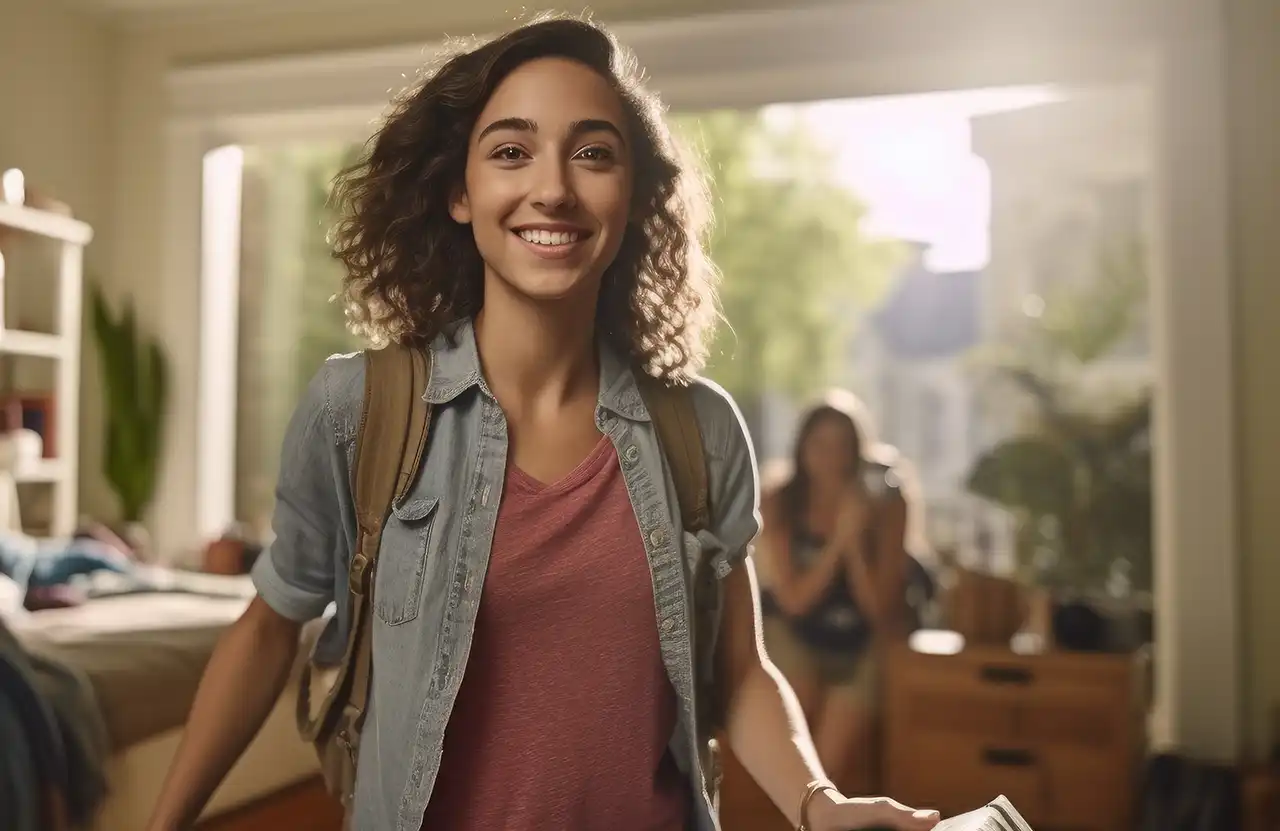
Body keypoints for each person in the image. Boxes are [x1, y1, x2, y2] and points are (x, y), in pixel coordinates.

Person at [145, 15, 939, 831]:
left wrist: (821, 802)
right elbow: (270, 629)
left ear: (632, 197)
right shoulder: (361, 412)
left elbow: (741, 671)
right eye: (511, 151)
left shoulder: (700, 431)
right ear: (460, 191)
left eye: (593, 153)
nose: (553, 188)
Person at [757, 395, 927, 796]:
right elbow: (794, 601)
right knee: (796, 699)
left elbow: (878, 608)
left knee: (827, 762)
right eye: (820, 445)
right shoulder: (780, 498)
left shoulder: (887, 503)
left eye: (843, 447)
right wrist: (837, 542)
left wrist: (854, 545)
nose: (831, 458)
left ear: (859, 453)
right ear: (801, 449)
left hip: (863, 640)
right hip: (795, 630)